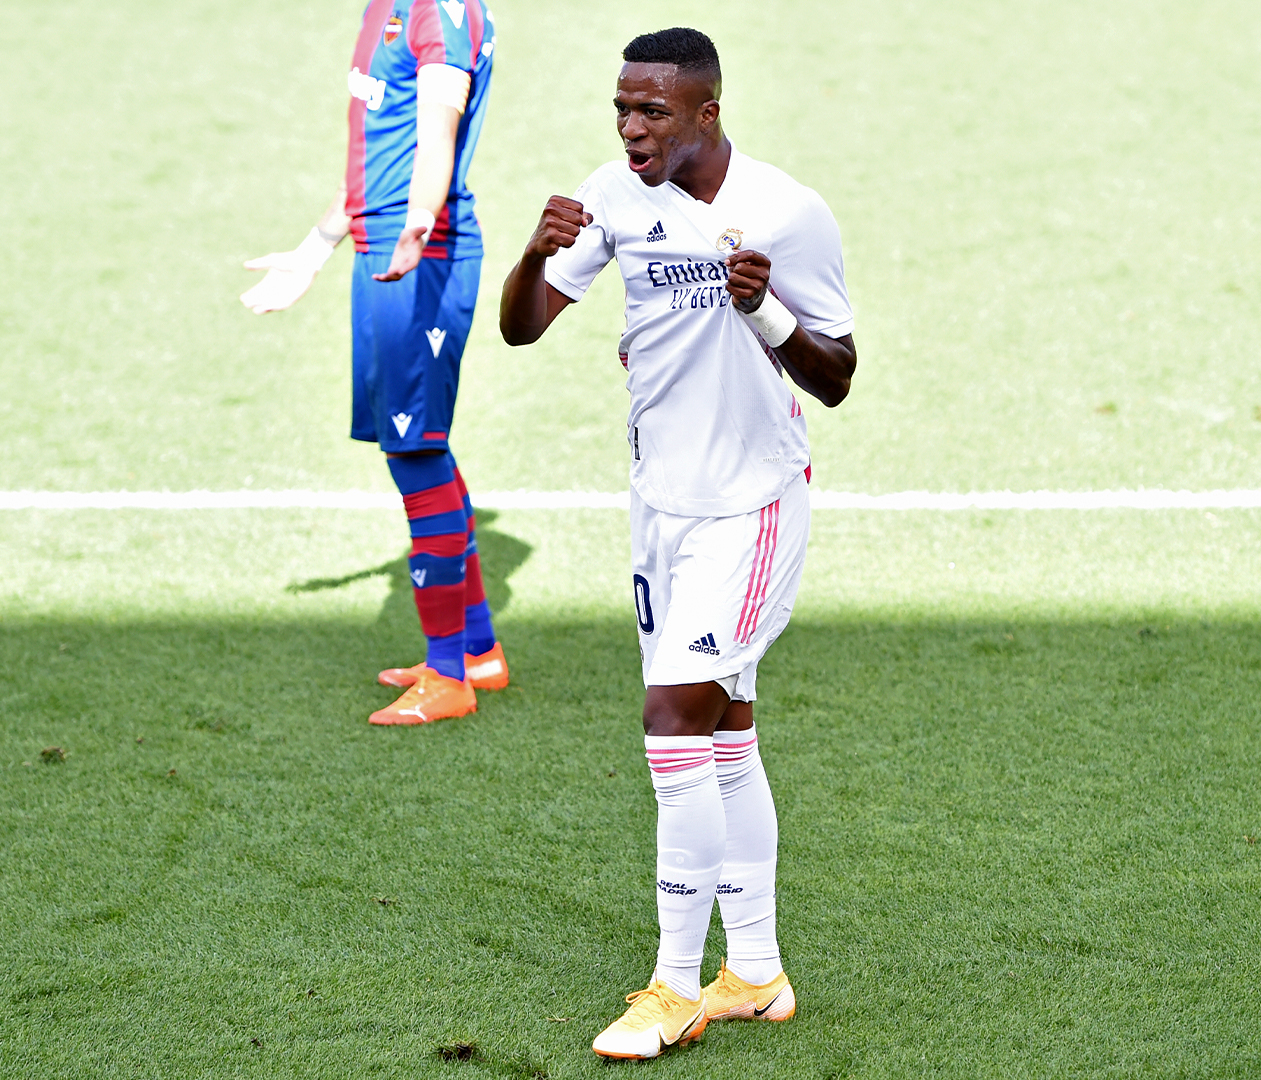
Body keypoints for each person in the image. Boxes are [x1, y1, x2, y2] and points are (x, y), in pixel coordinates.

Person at [498, 27, 857, 1061]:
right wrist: (534, 252)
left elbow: (838, 374)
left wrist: (766, 312)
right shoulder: (612, 197)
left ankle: (673, 985)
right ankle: (756, 973)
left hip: (751, 505)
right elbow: (522, 327)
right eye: (622, 107)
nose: (630, 127)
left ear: (707, 112)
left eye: (651, 110)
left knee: (670, 725)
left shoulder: (787, 211)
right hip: (660, 504)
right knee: (726, 733)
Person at [240, 0, 507, 726]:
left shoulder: (439, 14)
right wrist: (312, 251)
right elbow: (378, 152)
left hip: (420, 252)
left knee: (415, 451)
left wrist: (417, 221)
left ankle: (448, 677)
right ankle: (477, 650)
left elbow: (437, 130)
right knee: (421, 447)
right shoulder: (388, 8)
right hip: (383, 243)